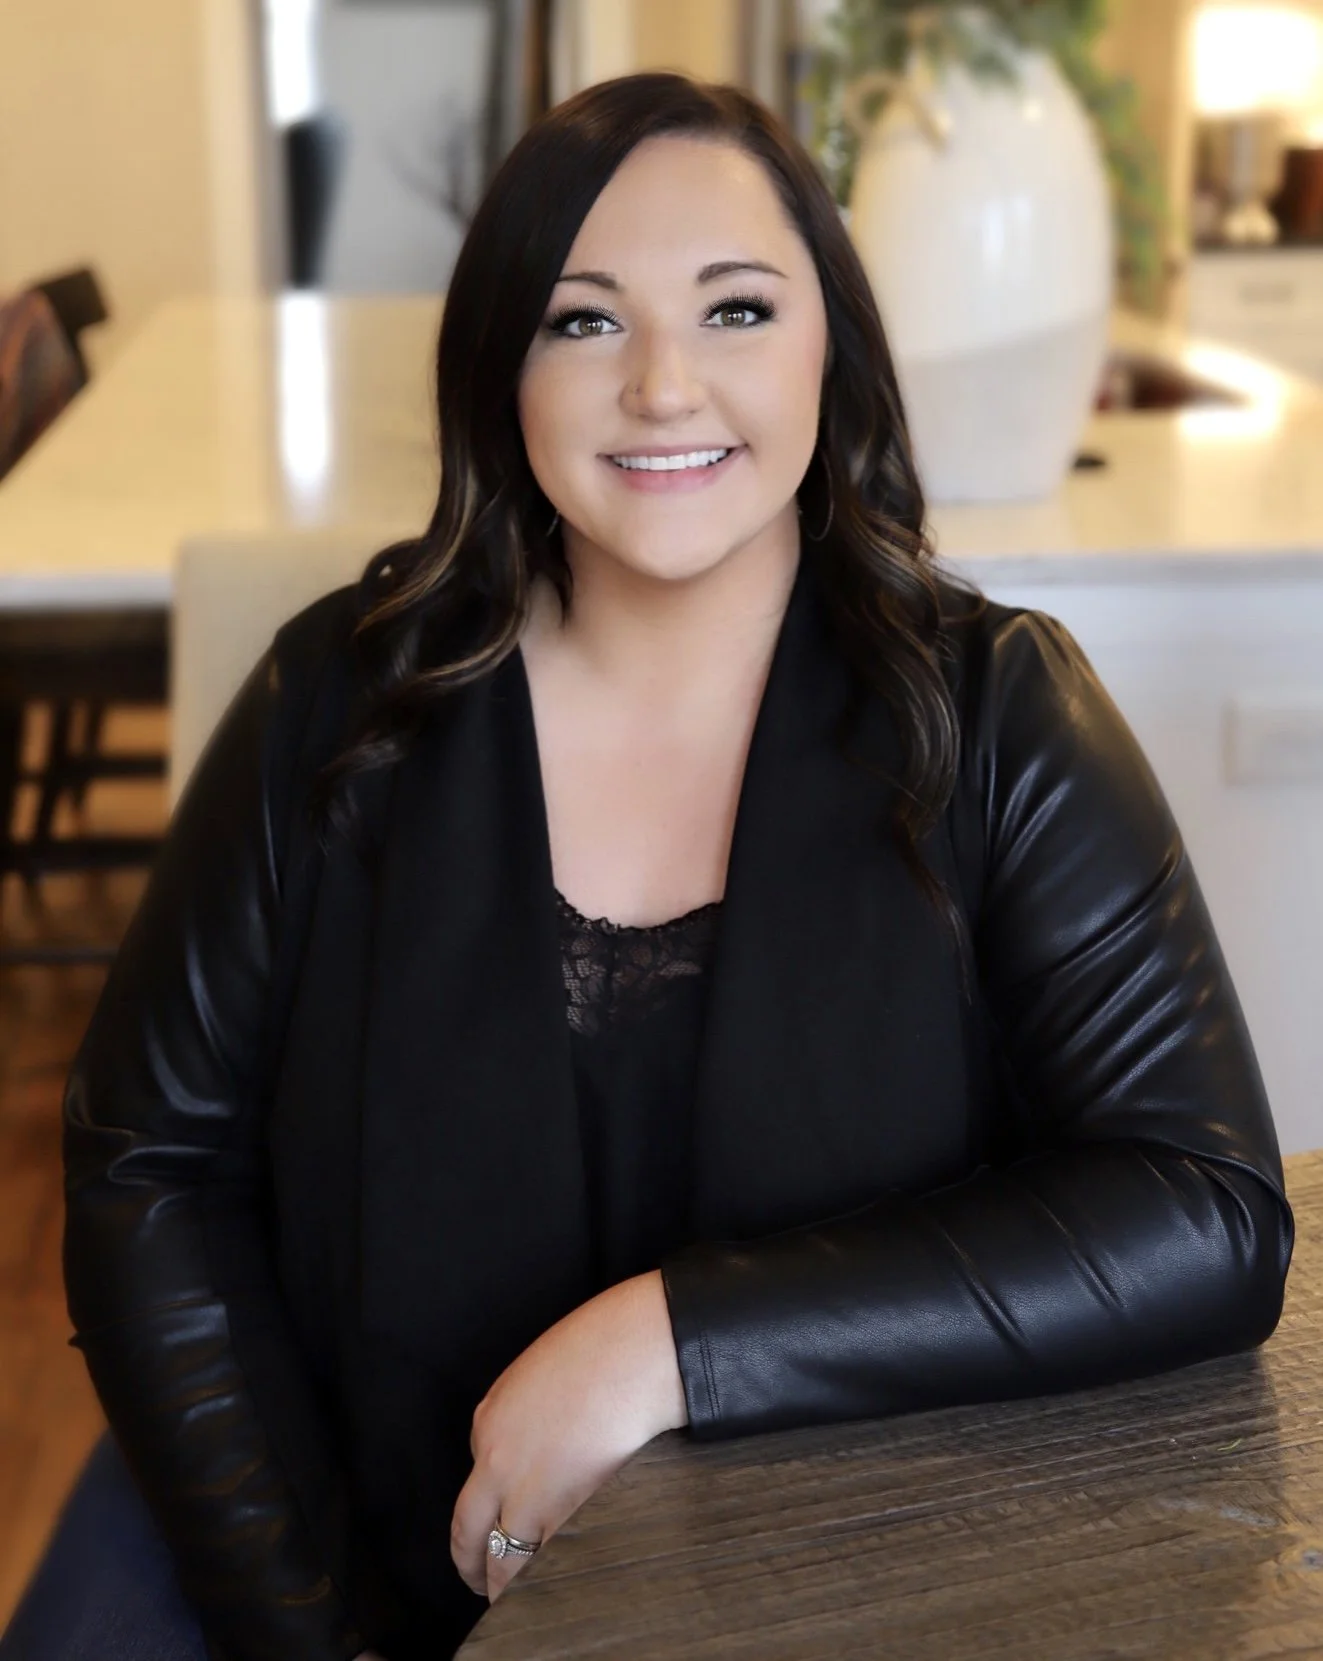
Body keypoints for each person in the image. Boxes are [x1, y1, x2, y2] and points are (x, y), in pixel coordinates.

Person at [47, 71, 1291, 1661]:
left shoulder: (992, 715)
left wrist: (668, 1347)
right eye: (582, 321)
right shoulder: (334, 710)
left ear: (830, 351)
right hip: (375, 1569)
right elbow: (150, 1170)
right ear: (500, 367)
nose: (660, 385)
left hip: (850, 1598)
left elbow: (1199, 1205)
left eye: (736, 309)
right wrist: (313, 1632)